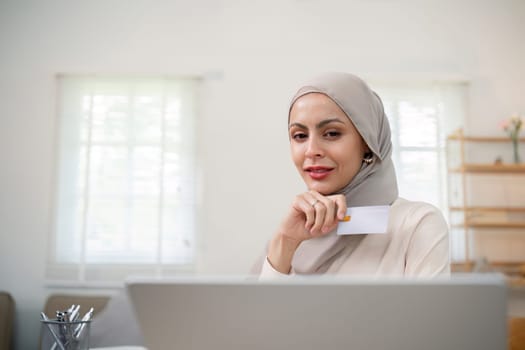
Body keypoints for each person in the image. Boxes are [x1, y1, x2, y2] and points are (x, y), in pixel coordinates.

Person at [252, 72, 449, 278]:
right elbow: (257, 311)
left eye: (332, 133)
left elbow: (428, 312)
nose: (312, 150)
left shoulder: (416, 226)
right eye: (300, 136)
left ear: (367, 141)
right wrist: (284, 242)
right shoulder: (291, 233)